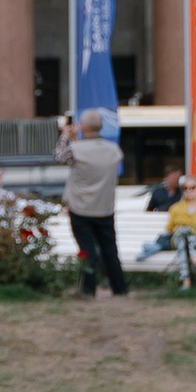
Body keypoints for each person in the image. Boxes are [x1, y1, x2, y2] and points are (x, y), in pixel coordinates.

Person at [60, 108, 126, 297]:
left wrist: (66, 136)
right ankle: (120, 287)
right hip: (105, 208)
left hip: (81, 208)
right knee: (110, 250)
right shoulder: (114, 150)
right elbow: (92, 155)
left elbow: (60, 156)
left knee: (87, 250)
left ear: (81, 126)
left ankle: (89, 289)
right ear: (101, 127)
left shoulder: (76, 149)